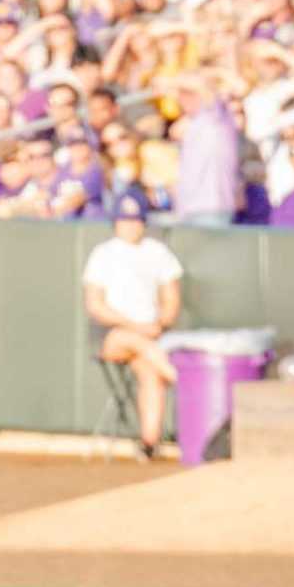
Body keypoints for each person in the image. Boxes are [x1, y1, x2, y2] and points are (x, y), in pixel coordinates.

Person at [81, 190, 182, 460]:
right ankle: (184, 381)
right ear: (115, 222)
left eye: (135, 220)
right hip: (112, 335)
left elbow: (171, 298)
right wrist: (137, 327)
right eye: (124, 220)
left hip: (151, 334)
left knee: (150, 371)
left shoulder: (157, 252)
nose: (130, 225)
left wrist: (161, 322)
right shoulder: (103, 253)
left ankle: (148, 443)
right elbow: (95, 305)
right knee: (141, 343)